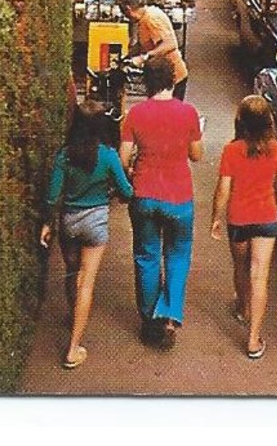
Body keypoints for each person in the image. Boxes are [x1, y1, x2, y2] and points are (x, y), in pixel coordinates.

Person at [40, 101, 134, 370]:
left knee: (72, 273)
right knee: (87, 282)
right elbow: (126, 192)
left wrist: (48, 222)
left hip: (69, 221)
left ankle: (74, 315)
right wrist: (114, 192)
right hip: (95, 223)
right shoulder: (107, 155)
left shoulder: (64, 155)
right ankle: (73, 348)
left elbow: (51, 195)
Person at [120, 58, 204, 350]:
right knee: (178, 256)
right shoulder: (188, 113)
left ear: (146, 82)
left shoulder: (135, 114)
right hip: (179, 196)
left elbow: (122, 159)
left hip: (144, 194)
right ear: (171, 81)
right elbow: (196, 155)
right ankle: (169, 316)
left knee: (147, 256)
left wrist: (133, 171)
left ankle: (149, 318)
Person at [210, 95, 277, 361]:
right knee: (260, 275)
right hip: (266, 217)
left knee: (241, 267)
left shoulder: (232, 150)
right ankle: (253, 340)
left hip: (239, 218)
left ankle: (243, 308)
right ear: (268, 121)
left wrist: (215, 217)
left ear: (240, 122)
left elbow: (223, 188)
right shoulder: (276, 149)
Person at [120, 0, 189, 100]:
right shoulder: (145, 17)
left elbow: (170, 44)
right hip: (158, 76)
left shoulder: (151, 18)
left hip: (171, 77)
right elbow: (146, 42)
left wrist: (144, 57)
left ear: (128, 9)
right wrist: (129, 56)